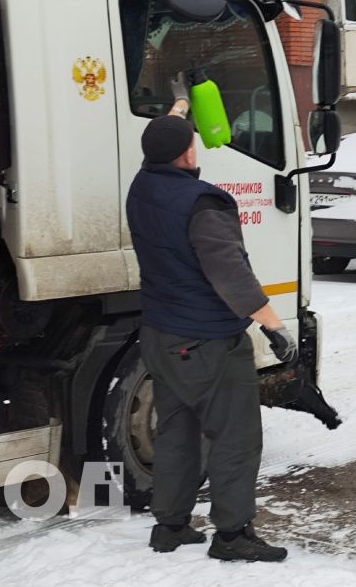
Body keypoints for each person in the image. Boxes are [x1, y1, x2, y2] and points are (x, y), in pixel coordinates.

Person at [124, 74, 298, 563]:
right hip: (207, 341)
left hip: (160, 335)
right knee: (235, 436)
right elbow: (231, 274)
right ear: (188, 154)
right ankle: (232, 535)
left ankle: (171, 526)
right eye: (191, 142)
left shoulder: (144, 185)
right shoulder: (203, 204)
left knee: (176, 430)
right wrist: (274, 325)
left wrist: (180, 104)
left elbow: (165, 136)